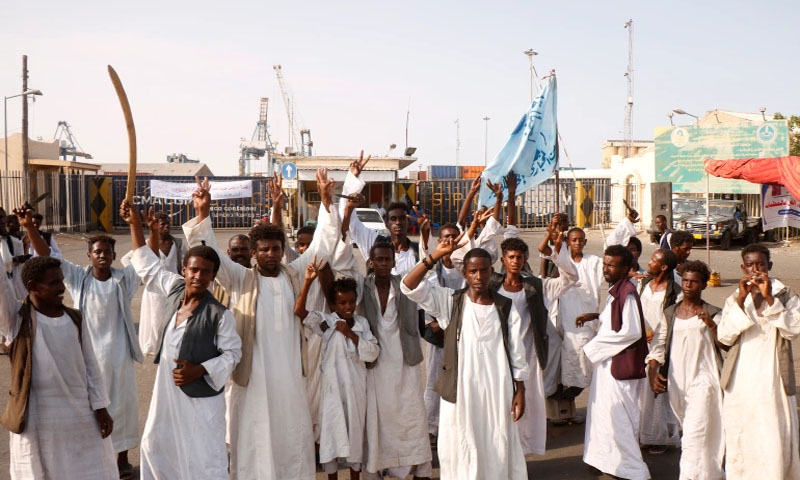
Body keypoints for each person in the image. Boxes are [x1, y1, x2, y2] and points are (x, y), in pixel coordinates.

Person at [183, 171, 339, 480]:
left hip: (290, 376)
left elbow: (322, 246)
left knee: (291, 433)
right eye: (264, 250)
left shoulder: (294, 274)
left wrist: (326, 202)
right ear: (253, 254)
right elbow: (210, 254)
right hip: (253, 376)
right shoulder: (241, 278)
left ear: (283, 250)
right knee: (254, 434)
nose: (271, 255)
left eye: (276, 249)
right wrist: (203, 214)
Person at [21, 204, 144, 478]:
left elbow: (142, 256)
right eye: (97, 252)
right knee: (90, 409)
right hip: (86, 357)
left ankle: (122, 459)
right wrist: (30, 228)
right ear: (89, 256)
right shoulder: (78, 278)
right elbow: (47, 256)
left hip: (119, 357)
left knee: (121, 407)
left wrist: (135, 224)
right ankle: (95, 460)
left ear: (113, 256)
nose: (102, 255)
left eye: (107, 252)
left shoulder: (123, 279)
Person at [122, 200, 242, 479]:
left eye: (206, 272)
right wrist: (135, 225)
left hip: (201, 397)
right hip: (167, 391)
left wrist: (200, 370)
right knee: (156, 445)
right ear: (184, 270)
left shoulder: (219, 314)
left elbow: (233, 354)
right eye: (194, 270)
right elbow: (147, 265)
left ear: (213, 277)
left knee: (203, 455)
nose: (198, 276)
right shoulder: (175, 289)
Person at [402, 245, 529, 480]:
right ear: (465, 273)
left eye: (483, 270)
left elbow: (517, 352)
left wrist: (520, 390)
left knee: (496, 440)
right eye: (473, 271)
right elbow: (408, 286)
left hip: (497, 390)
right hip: (460, 390)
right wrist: (436, 255)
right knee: (461, 441)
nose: (478, 277)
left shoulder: (505, 307)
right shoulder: (450, 302)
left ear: (492, 271)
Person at [0, 255, 118, 478]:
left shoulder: (75, 319)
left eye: (62, 280)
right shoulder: (17, 320)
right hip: (38, 418)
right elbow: (1, 288)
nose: (62, 287)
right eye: (54, 283)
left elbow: (91, 366)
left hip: (80, 415)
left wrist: (101, 408)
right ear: (32, 287)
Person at [491, 230, 578, 455]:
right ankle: (500, 453)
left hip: (528, 355)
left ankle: (521, 453)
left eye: (519, 257)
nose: (515, 261)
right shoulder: (492, 287)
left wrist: (557, 252)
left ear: (525, 259)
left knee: (527, 404)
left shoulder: (537, 286)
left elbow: (570, 278)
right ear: (503, 260)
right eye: (511, 257)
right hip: (497, 355)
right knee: (498, 404)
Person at [717, 243, 800, 478]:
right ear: (743, 268)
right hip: (741, 377)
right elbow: (724, 336)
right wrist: (741, 299)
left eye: (760, 265)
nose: (755, 270)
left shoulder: (785, 294)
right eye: (750, 265)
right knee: (743, 432)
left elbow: (794, 329)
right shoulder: (735, 297)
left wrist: (769, 299)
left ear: (769, 266)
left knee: (772, 431)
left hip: (772, 376)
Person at [355, 240, 432, 479]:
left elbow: (427, 287)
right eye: (379, 259)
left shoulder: (405, 285)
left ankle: (420, 469)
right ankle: (377, 467)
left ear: (393, 261)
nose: (383, 264)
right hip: (375, 364)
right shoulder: (361, 287)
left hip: (405, 361)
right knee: (378, 417)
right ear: (371, 262)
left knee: (411, 414)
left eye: (387, 259)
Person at [296, 269, 379, 480]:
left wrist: (351, 334)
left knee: (355, 437)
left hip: (355, 391)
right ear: (333, 305)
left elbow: (373, 352)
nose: (348, 307)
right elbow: (299, 311)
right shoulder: (327, 323)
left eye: (351, 302)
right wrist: (307, 282)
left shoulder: (362, 324)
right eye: (342, 303)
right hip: (332, 393)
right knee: (332, 436)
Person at [647, 260, 725, 479]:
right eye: (686, 281)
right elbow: (658, 346)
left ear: (703, 285)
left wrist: (711, 325)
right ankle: (710, 474)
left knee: (693, 435)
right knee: (697, 435)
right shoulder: (671, 313)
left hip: (705, 381)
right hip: (678, 383)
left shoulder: (713, 313)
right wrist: (653, 374)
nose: (689, 285)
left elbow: (726, 344)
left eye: (695, 282)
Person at [578, 244, 650, 480]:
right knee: (602, 414)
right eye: (605, 264)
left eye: (612, 265)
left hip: (618, 366)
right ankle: (603, 460)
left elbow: (631, 331)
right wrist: (596, 316)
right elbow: (613, 321)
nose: (606, 269)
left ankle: (632, 469)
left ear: (626, 268)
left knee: (619, 418)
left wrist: (593, 347)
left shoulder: (627, 292)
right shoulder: (616, 290)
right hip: (607, 365)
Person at [543, 227, 604, 404]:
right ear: (568, 242)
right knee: (566, 354)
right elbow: (545, 256)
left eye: (580, 240)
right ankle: (562, 396)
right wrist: (551, 237)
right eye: (574, 240)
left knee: (583, 356)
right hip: (566, 317)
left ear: (585, 241)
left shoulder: (594, 262)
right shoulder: (564, 262)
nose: (577, 243)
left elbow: (610, 269)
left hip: (586, 318)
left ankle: (571, 393)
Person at [417, 222, 465, 438]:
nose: (450, 240)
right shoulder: (433, 270)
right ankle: (431, 427)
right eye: (446, 237)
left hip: (461, 335)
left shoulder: (465, 268)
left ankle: (455, 428)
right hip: (439, 336)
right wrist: (433, 324)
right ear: (439, 240)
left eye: (454, 236)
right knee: (434, 380)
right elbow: (424, 295)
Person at [340, 151, 419, 276]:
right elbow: (351, 223)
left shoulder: (418, 251)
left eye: (402, 218)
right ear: (386, 223)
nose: (398, 222)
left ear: (408, 221)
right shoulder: (374, 242)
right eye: (393, 219)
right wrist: (352, 180)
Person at [637, 249, 681, 453]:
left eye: (654, 260)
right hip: (641, 342)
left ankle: (659, 437)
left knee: (658, 390)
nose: (650, 262)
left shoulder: (675, 292)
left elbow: (676, 319)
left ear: (663, 267)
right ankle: (643, 434)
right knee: (641, 390)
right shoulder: (644, 284)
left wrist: (658, 335)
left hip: (661, 345)